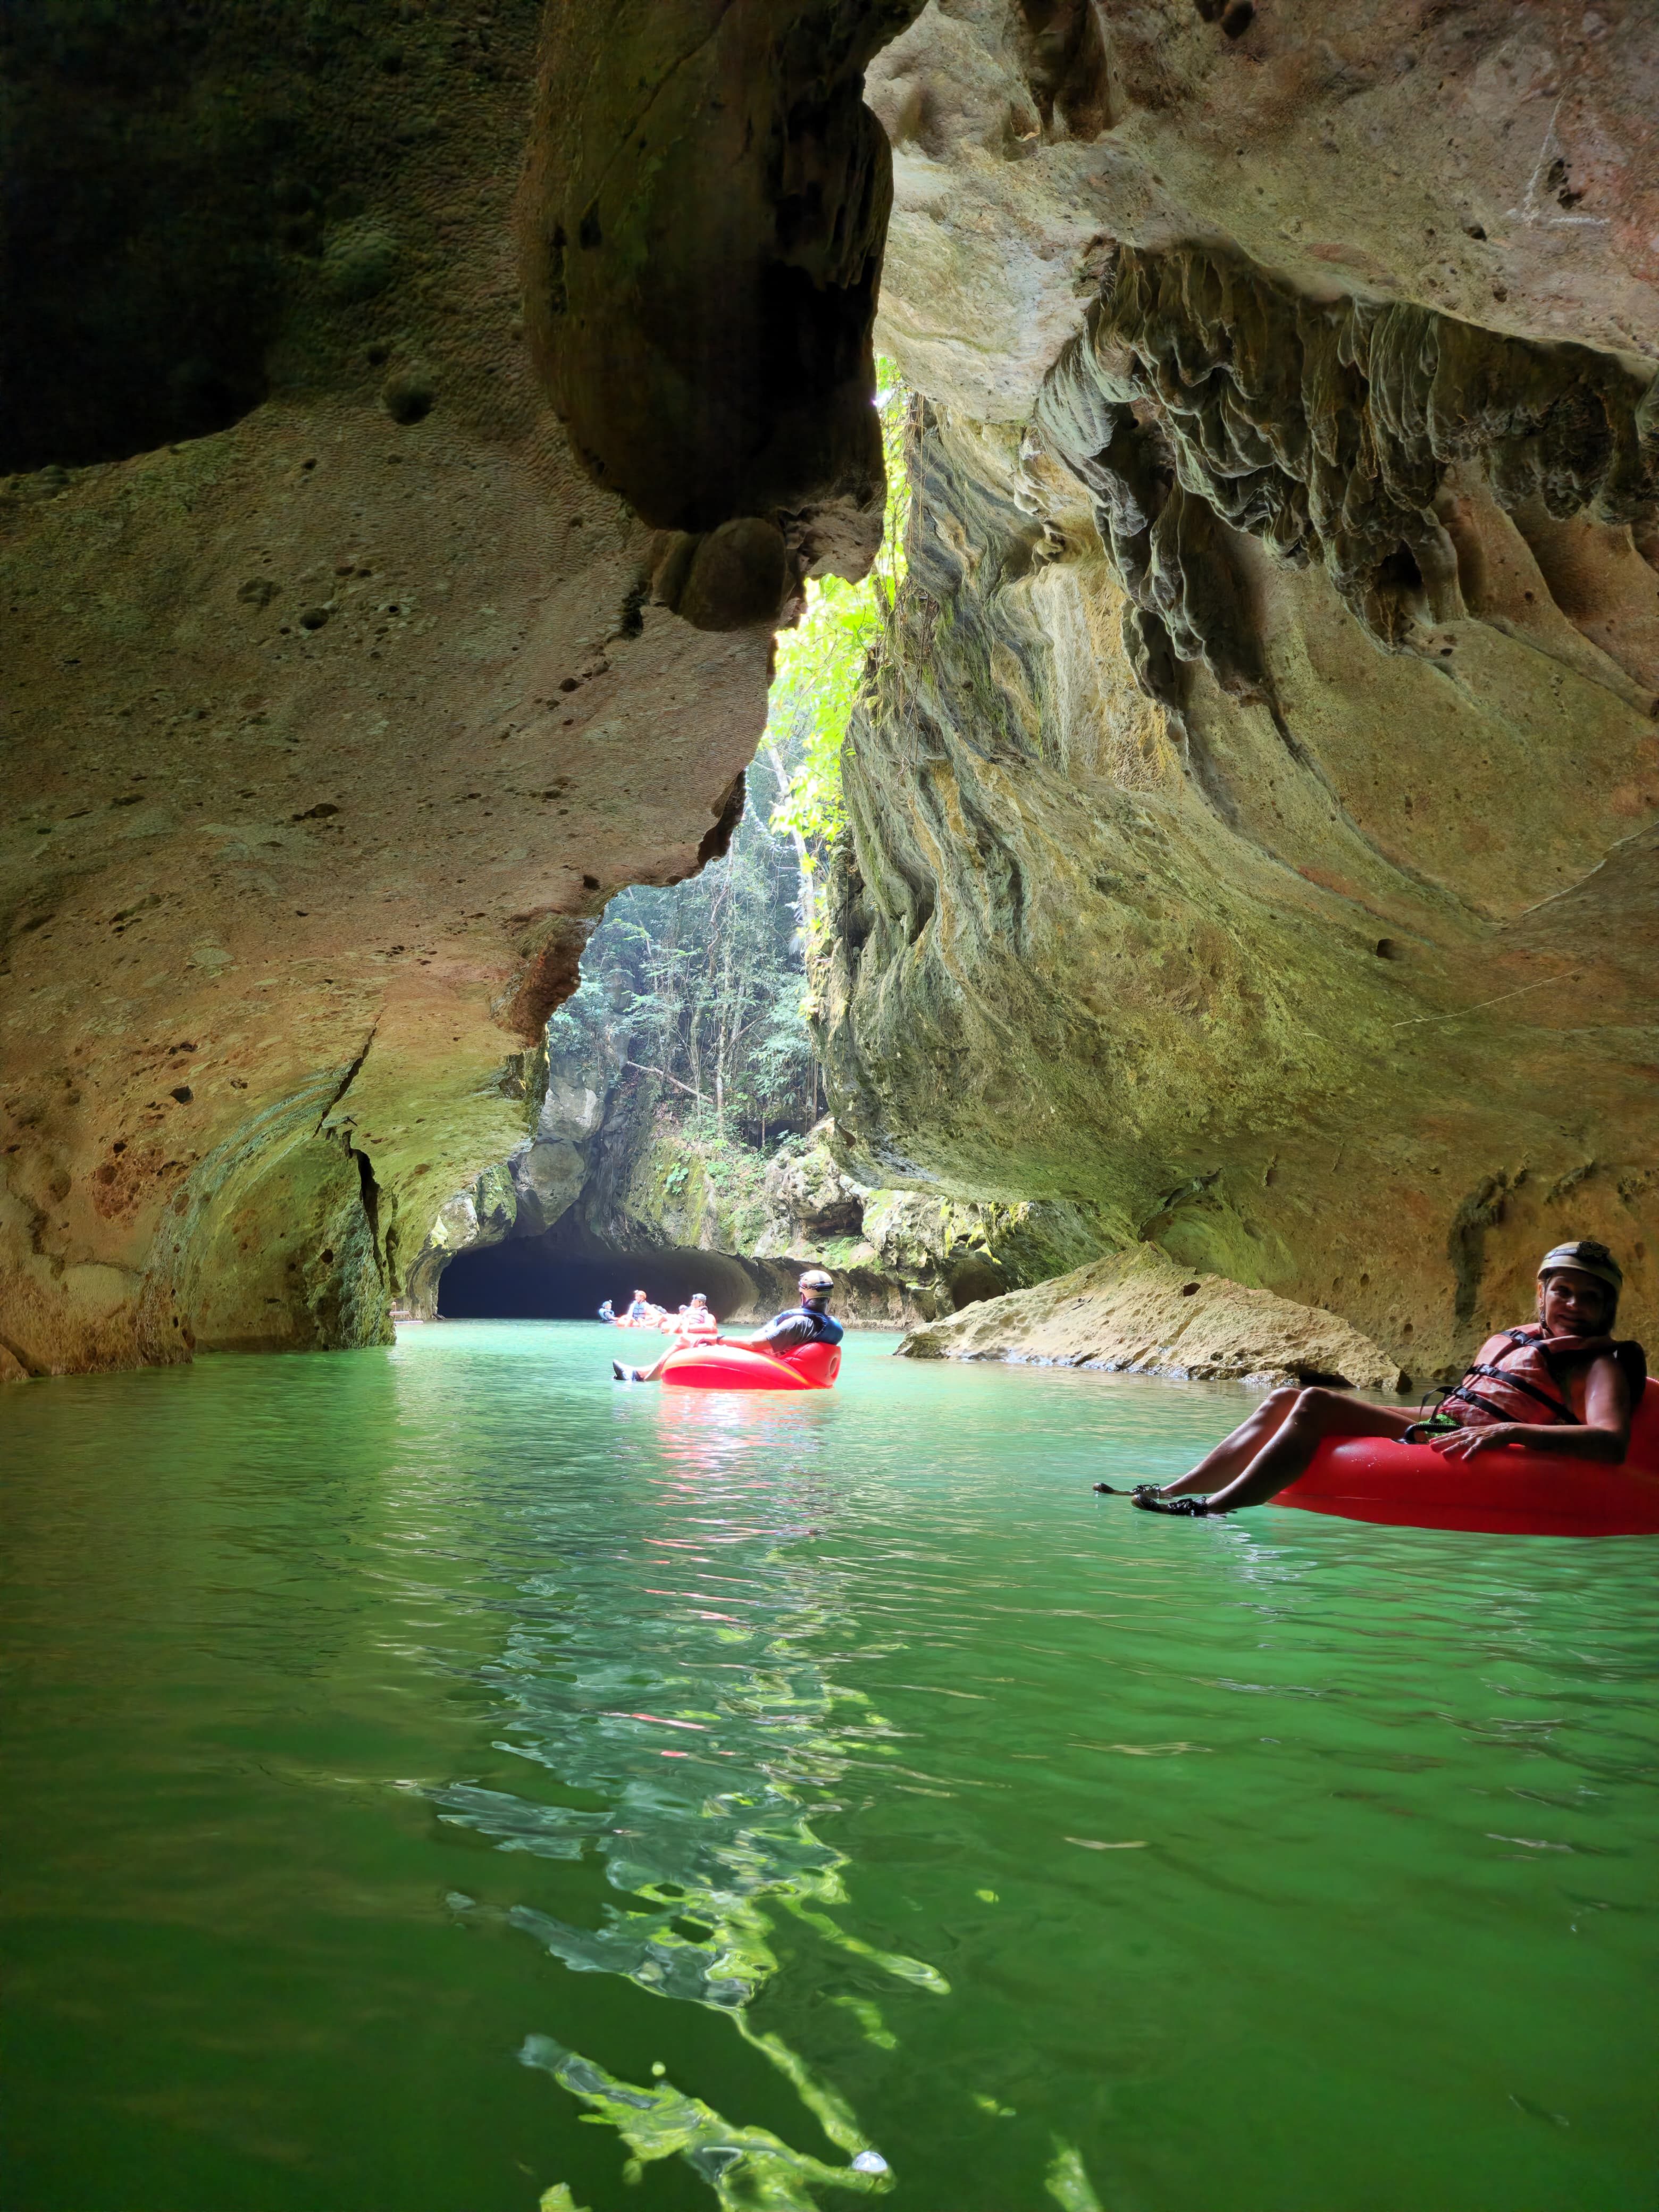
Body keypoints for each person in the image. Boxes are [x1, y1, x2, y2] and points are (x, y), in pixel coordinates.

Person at [1104, 1241, 1643, 1517]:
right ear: (1542, 1292)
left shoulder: (1597, 1363)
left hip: (1476, 1441)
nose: (1574, 1305)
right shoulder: (1528, 1336)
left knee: (1314, 1402)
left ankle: (1213, 1508)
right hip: (1444, 1420)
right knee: (1283, 1398)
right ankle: (1173, 1487)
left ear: (1607, 1307)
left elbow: (1611, 1442)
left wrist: (1506, 1433)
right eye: (1563, 1292)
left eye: (1591, 1297)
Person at [614, 1269, 843, 1383]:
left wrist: (718, 1340)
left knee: (686, 1340)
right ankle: (641, 1372)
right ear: (828, 1298)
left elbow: (756, 1344)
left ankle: (641, 1378)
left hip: (768, 1362)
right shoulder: (827, 1325)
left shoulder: (799, 1323)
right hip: (783, 1362)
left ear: (804, 1295)